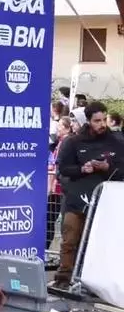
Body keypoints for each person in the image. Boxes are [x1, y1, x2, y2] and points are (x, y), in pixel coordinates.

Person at [53, 101, 124, 289]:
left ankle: (90, 280)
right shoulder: (73, 141)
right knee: (70, 240)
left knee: (96, 244)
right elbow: (63, 169)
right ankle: (63, 279)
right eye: (97, 121)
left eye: (103, 120)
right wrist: (82, 169)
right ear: (88, 121)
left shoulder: (116, 141)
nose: (101, 124)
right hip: (76, 199)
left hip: (104, 202)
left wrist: (108, 167)